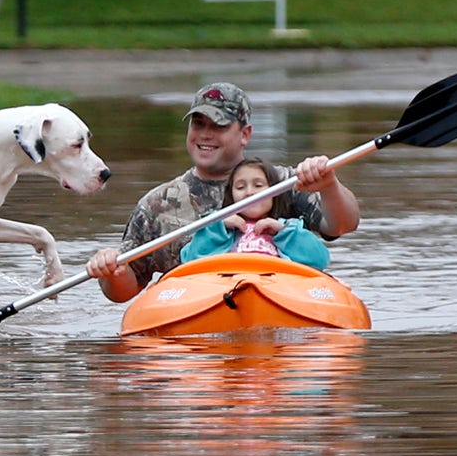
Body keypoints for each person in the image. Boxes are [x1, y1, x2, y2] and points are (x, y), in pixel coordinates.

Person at [83, 82, 360, 303]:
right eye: (198, 124)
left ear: (245, 134)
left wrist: (328, 185)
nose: (205, 134)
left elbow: (344, 225)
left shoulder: (283, 182)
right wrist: (112, 272)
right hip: (195, 316)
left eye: (219, 126)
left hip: (279, 303)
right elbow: (123, 292)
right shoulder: (157, 204)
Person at [178, 157, 330, 270]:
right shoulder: (218, 228)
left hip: (276, 290)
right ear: (232, 196)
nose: (249, 193)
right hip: (227, 290)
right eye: (240, 187)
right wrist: (217, 227)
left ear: (274, 192)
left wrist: (284, 232)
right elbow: (190, 260)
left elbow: (320, 259)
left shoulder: (288, 228)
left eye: (258, 185)